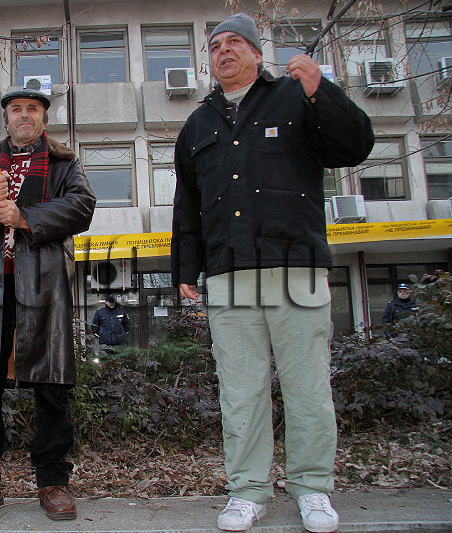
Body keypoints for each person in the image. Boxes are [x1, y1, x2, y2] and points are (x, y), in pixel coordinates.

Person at [171, 13, 374, 533]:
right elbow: (187, 205)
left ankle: (312, 489)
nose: (224, 51)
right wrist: (185, 268)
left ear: (258, 53)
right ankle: (248, 491)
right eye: (215, 45)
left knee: (308, 386)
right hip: (228, 272)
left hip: (296, 267)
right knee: (240, 390)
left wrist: (320, 90)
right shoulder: (197, 124)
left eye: (235, 42)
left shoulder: (293, 96)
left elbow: (355, 146)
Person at [0, 88, 95, 521]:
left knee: (51, 389)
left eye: (32, 109)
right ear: (6, 118)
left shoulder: (64, 163)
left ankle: (53, 481)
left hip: (44, 286)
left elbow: (82, 207)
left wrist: (26, 217)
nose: (24, 116)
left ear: (44, 119)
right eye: (16, 110)